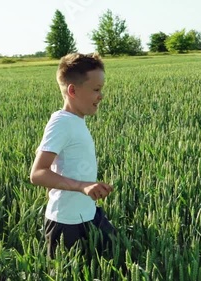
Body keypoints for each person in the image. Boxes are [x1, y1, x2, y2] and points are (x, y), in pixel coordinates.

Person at [30, 52, 116, 259]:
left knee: (116, 253)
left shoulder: (75, 120)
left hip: (88, 212)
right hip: (65, 222)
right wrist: (82, 186)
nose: (101, 96)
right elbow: (37, 174)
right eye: (96, 90)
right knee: (69, 271)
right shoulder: (62, 123)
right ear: (72, 90)